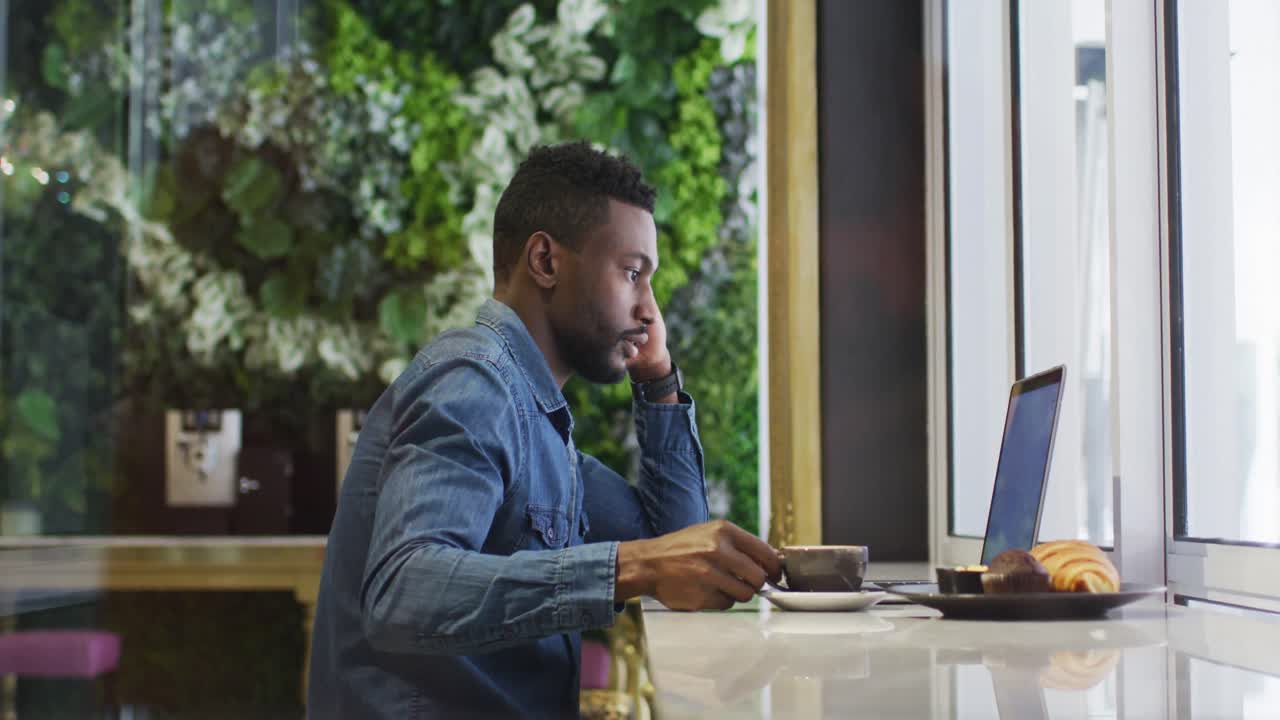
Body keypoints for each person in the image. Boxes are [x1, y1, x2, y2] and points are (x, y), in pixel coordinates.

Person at [307, 142, 781, 718]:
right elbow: (403, 593)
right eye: (632, 273)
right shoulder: (473, 384)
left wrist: (657, 383)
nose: (650, 311)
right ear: (546, 262)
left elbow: (674, 546)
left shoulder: (539, 423)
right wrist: (633, 569)